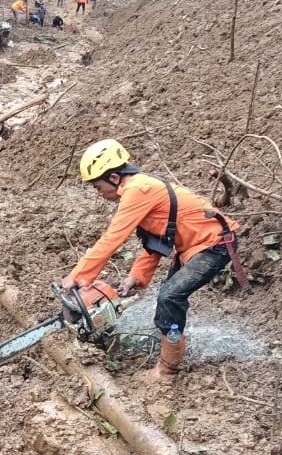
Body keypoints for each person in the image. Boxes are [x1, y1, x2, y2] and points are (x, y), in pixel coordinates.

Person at [59, 139, 241, 380]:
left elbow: (112, 238)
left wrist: (78, 276)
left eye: (98, 187)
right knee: (168, 296)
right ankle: (171, 342)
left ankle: (167, 370)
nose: (99, 193)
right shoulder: (140, 190)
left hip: (215, 243)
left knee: (170, 296)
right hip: (196, 246)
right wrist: (137, 276)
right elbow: (157, 243)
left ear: (113, 178)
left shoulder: (138, 190)